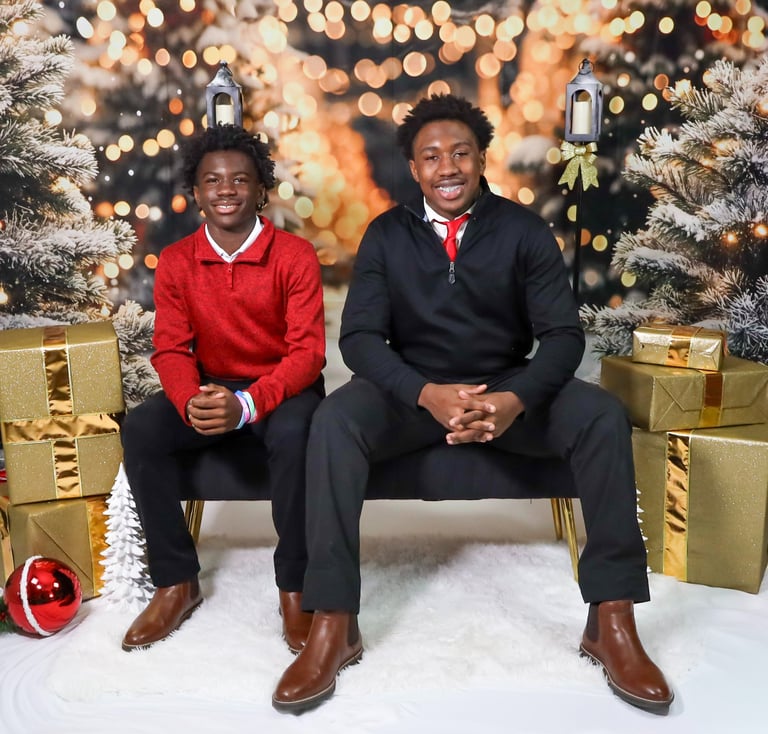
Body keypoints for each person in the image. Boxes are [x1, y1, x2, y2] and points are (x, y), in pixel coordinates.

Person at [272, 94, 673, 714]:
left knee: (600, 415)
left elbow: (563, 337)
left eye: (460, 153)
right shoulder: (386, 235)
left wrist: (516, 398)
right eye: (431, 157)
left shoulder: (523, 231)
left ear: (481, 159)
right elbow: (359, 340)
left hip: (504, 390)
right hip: (412, 393)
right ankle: (334, 622)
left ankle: (611, 620)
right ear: (413, 168)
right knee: (333, 421)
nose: (448, 167)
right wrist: (424, 393)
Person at [120, 124, 325, 653]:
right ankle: (176, 582)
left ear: (261, 190)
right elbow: (170, 348)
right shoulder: (176, 261)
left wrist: (248, 404)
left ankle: (296, 586)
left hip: (283, 387)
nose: (226, 189)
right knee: (142, 428)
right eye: (212, 180)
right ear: (196, 192)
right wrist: (190, 399)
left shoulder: (295, 255)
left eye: (240, 179)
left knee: (299, 434)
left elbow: (307, 354)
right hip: (209, 387)